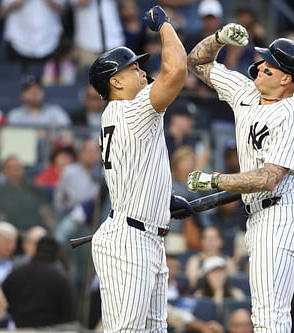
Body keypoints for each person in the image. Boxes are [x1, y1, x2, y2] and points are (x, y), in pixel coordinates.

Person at [185, 23, 294, 332]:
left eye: (270, 65)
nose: (261, 66)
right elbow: (197, 63)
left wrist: (214, 180)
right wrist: (218, 39)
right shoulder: (246, 90)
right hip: (260, 216)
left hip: (281, 214)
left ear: (286, 78)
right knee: (266, 313)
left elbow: (269, 178)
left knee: (271, 316)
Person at [87, 5, 190, 331]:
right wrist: (164, 25)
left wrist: (162, 200)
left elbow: (134, 169)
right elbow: (176, 72)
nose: (143, 73)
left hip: (144, 234)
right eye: (134, 69)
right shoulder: (129, 111)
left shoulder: (121, 115)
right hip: (129, 239)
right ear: (114, 81)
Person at [2, 236, 77, 328]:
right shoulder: (61, 278)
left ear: (36, 249)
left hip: (19, 328)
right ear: (57, 253)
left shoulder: (16, 274)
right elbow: (70, 312)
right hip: (50, 329)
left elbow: (3, 302)